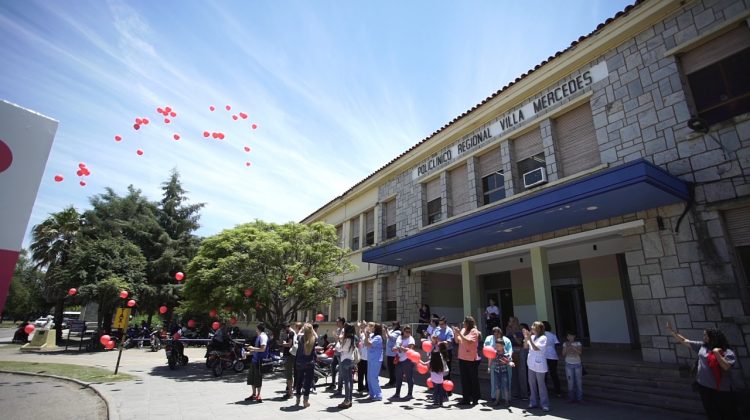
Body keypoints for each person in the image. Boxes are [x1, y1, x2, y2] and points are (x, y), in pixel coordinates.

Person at [667, 322, 738, 419]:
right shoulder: (702, 346)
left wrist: (716, 353)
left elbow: (726, 367)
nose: (704, 337)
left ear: (713, 337)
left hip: (721, 389)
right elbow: (685, 341)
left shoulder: (726, 351)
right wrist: (672, 332)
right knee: (711, 413)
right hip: (704, 387)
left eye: (706, 335)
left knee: (726, 413)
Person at [453, 316, 481, 405]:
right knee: (464, 379)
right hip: (462, 357)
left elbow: (468, 341)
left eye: (464, 322)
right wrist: (455, 333)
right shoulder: (463, 330)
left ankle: (475, 398)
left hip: (471, 359)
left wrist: (459, 333)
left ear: (469, 323)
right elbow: (457, 341)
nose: (463, 323)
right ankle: (466, 398)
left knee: (473, 379)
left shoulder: (474, 331)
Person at [524, 321, 549, 412]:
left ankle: (544, 404)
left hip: (540, 364)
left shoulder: (543, 338)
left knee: (541, 385)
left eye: (534, 326)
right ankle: (533, 402)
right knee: (532, 384)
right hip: (531, 364)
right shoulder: (532, 337)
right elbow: (525, 346)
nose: (531, 327)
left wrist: (529, 338)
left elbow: (536, 348)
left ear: (539, 328)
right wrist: (526, 338)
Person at [335, 323, 357, 409]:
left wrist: (338, 341)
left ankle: (346, 400)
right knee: (350, 381)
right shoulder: (353, 338)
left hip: (345, 360)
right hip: (351, 360)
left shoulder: (347, 339)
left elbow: (339, 349)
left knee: (347, 381)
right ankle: (349, 400)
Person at [294, 323, 317, 408]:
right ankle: (305, 401)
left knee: (299, 381)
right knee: (308, 382)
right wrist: (311, 330)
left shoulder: (300, 338)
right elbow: (316, 335)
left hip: (299, 362)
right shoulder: (313, 339)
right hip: (309, 363)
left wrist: (302, 329)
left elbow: (298, 333)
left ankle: (297, 399)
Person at [391, 325, 416, 401]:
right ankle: (397, 393)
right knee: (398, 377)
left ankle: (410, 394)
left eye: (409, 331)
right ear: (403, 331)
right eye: (406, 331)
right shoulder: (399, 337)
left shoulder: (411, 339)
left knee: (409, 378)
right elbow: (396, 346)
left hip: (407, 360)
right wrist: (394, 349)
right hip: (399, 360)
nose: (408, 333)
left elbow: (409, 350)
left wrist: (400, 347)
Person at [245, 323, 268, 402]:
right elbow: (257, 350)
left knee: (258, 379)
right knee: (252, 378)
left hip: (259, 361)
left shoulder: (263, 337)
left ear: (258, 329)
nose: (255, 330)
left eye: (256, 328)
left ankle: (259, 395)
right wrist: (249, 353)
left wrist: (252, 348)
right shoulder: (259, 336)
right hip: (254, 360)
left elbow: (263, 349)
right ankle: (254, 394)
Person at [490, 333, 515, 407]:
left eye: (498, 346)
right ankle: (497, 400)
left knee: (505, 387)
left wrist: (511, 363)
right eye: (496, 346)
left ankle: (507, 400)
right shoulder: (495, 353)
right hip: (496, 372)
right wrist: (490, 364)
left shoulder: (506, 354)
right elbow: (492, 360)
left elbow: (509, 361)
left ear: (503, 346)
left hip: (504, 372)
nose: (497, 347)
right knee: (497, 386)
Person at [562, 330, 583, 403]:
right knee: (570, 382)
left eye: (571, 336)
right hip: (568, 363)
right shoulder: (565, 344)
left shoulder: (578, 343)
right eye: (568, 336)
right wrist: (567, 347)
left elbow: (580, 352)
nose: (570, 337)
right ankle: (571, 398)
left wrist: (573, 347)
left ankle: (579, 398)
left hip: (577, 363)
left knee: (578, 381)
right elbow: (563, 354)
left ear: (574, 336)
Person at [365, 323, 384, 401]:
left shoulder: (378, 337)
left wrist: (367, 336)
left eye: (372, 327)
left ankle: (379, 395)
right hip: (371, 359)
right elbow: (366, 343)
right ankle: (372, 394)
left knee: (373, 377)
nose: (371, 328)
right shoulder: (372, 336)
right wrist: (366, 335)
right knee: (369, 378)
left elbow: (369, 344)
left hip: (376, 360)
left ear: (376, 329)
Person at [433, 317, 455, 384]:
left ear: (445, 324)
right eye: (439, 324)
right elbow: (434, 340)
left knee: (446, 371)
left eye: (442, 324)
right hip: (437, 351)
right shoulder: (437, 329)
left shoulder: (449, 331)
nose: (440, 326)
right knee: (438, 370)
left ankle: (447, 389)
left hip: (446, 352)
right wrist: (434, 339)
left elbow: (448, 343)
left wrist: (439, 341)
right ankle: (438, 388)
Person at [542, 321, 561, 397]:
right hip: (553, 356)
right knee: (554, 374)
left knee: (544, 375)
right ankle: (558, 392)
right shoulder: (552, 335)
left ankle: (544, 392)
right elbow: (557, 344)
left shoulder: (541, 335)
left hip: (544, 356)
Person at [329, 317, 346, 394]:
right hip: (336, 352)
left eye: (338, 322)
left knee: (341, 371)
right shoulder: (338, 330)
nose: (336, 323)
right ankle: (333, 383)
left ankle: (340, 388)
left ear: (342, 322)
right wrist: (332, 344)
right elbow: (337, 342)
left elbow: (342, 340)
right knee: (332, 366)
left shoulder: (344, 330)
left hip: (341, 353)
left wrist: (337, 337)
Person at [280, 322, 297, 399]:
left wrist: (282, 344)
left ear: (286, 327)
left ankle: (290, 393)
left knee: (289, 375)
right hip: (290, 356)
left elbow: (289, 344)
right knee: (289, 375)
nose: (284, 331)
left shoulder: (291, 333)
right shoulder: (293, 332)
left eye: (284, 330)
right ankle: (289, 391)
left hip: (289, 356)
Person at [384, 321, 401, 388]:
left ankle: (394, 381)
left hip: (393, 353)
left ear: (397, 325)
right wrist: (386, 331)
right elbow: (387, 337)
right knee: (390, 368)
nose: (393, 326)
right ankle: (392, 380)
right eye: (392, 324)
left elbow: (390, 337)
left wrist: (386, 330)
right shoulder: (391, 331)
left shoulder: (398, 332)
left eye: (394, 325)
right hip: (389, 352)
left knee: (393, 368)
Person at [357, 321, 369, 394]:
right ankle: (360, 388)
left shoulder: (369, 334)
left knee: (367, 374)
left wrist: (363, 328)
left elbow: (366, 337)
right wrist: (359, 328)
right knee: (360, 374)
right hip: (361, 357)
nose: (363, 326)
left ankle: (367, 388)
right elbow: (359, 336)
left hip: (367, 358)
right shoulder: (362, 333)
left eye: (364, 325)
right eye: (362, 325)